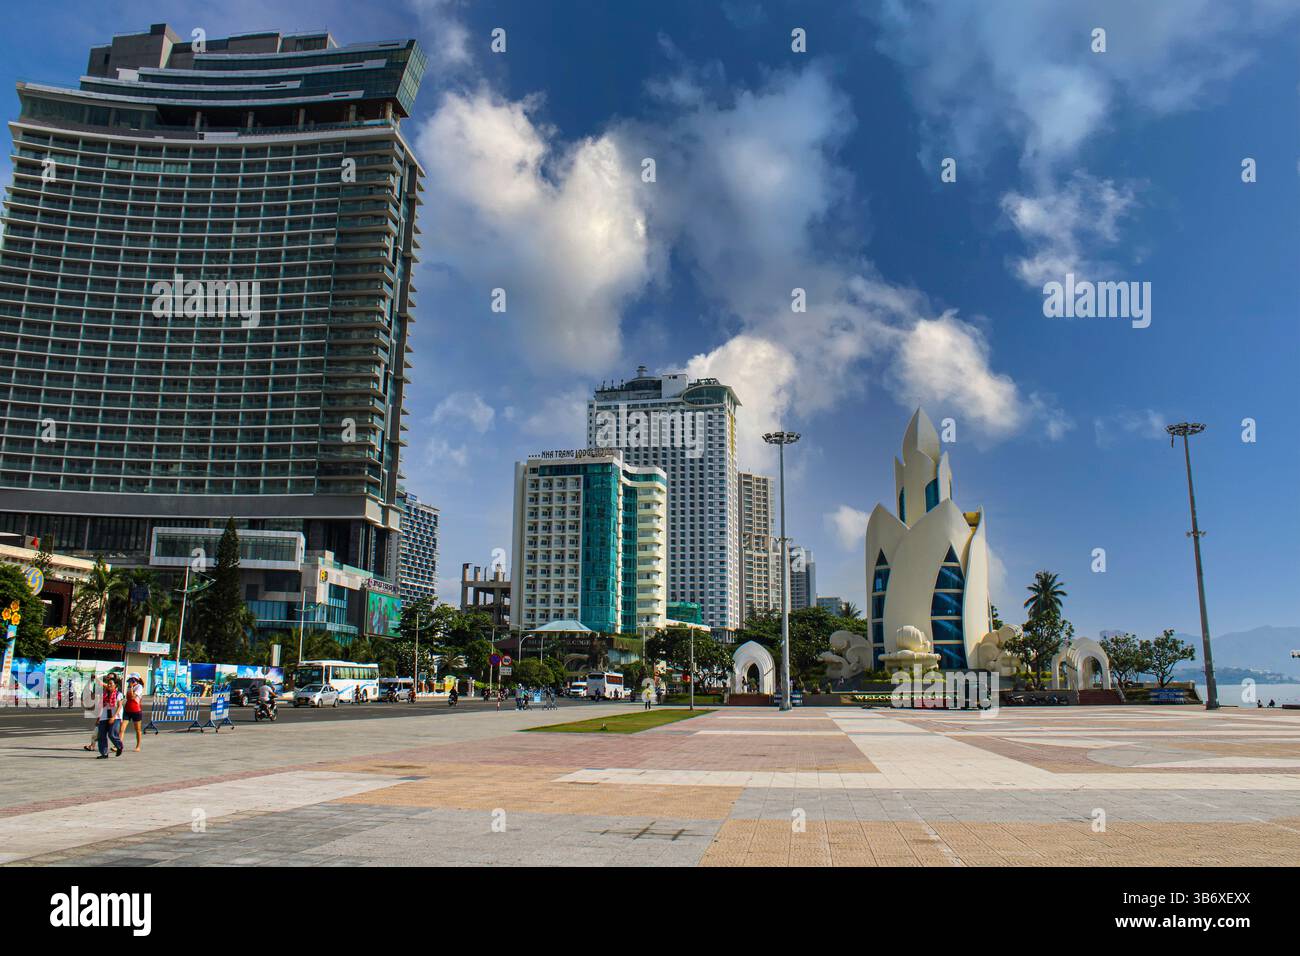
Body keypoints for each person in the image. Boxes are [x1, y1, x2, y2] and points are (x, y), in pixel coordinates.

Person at [96, 675, 124, 759]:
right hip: (104, 716)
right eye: (108, 684)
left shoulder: (119, 694)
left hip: (115, 716)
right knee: (101, 735)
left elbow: (119, 706)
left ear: (115, 685)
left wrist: (114, 717)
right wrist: (98, 717)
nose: (109, 685)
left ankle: (119, 746)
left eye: (111, 683)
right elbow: (101, 706)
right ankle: (104, 753)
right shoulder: (105, 694)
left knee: (112, 734)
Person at [123, 674, 145, 752]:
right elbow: (127, 697)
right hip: (127, 709)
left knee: (137, 729)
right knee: (122, 728)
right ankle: (118, 745)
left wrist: (131, 687)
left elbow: (132, 697)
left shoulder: (139, 687)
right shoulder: (129, 687)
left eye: (132, 680)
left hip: (136, 710)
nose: (130, 682)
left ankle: (138, 746)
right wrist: (130, 687)